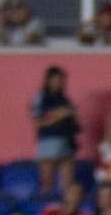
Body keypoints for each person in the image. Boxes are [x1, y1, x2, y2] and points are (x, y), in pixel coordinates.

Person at [30, 66, 79, 196]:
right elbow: (37, 122)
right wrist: (59, 115)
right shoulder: (40, 98)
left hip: (66, 142)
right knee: (47, 183)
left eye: (62, 80)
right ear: (49, 80)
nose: (59, 83)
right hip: (48, 143)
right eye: (56, 79)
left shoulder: (64, 99)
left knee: (67, 185)